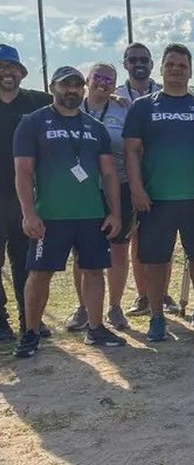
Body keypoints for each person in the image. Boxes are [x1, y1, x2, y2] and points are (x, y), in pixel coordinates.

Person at [13, 66, 125, 358]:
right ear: (53, 87)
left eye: (76, 85)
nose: (71, 90)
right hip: (49, 215)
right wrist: (28, 213)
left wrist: (114, 212)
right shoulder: (33, 123)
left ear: (83, 89)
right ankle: (31, 332)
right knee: (39, 274)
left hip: (90, 214)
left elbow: (109, 173)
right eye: (66, 85)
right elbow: (23, 172)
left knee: (94, 270)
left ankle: (96, 327)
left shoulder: (94, 127)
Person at [123, 43, 194, 341]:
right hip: (156, 198)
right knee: (155, 260)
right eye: (171, 64)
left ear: (191, 70)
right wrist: (137, 189)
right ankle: (156, 317)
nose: (177, 69)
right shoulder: (144, 107)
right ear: (162, 68)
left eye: (182, 65)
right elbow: (131, 151)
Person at [65, 63, 134, 332]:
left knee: (119, 248)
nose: (103, 83)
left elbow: (132, 149)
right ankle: (83, 308)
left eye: (109, 79)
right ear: (88, 79)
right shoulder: (71, 106)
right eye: (98, 77)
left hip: (119, 185)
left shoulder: (123, 108)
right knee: (81, 251)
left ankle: (114, 307)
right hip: (80, 190)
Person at [114, 43, 176, 317]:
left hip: (159, 177)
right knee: (130, 239)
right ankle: (141, 296)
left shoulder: (165, 94)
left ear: (153, 65)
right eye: (132, 59)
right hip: (124, 179)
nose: (139, 64)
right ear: (125, 63)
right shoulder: (114, 97)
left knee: (161, 239)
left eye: (144, 60)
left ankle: (161, 294)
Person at [0, 44, 52, 342]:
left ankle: (29, 319)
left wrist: (107, 98)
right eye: (2, 67)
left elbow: (71, 101)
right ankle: (1, 320)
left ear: (21, 72)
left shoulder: (36, 101)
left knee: (26, 261)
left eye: (12, 67)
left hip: (26, 197)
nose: (8, 72)